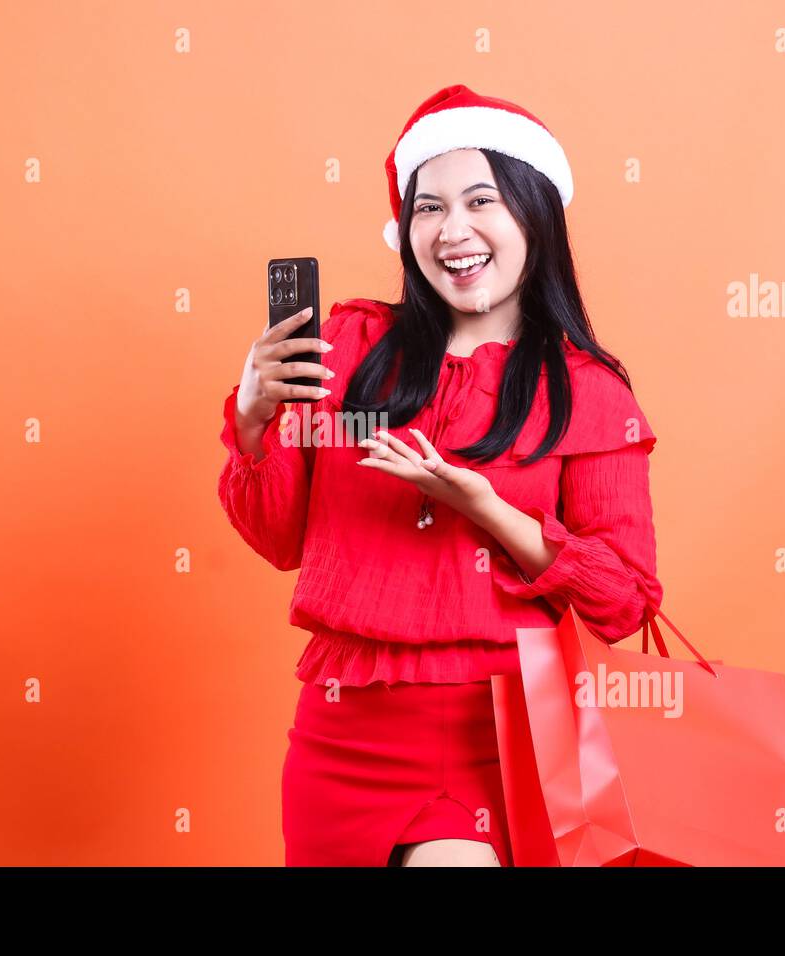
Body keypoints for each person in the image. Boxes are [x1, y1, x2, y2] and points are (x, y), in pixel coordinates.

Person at [217, 84, 663, 867]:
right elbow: (281, 539)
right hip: (341, 728)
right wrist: (254, 420)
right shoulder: (349, 348)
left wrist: (490, 509)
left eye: (480, 200)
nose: (453, 230)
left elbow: (625, 602)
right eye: (429, 208)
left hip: (503, 732)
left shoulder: (587, 392)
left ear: (534, 214)